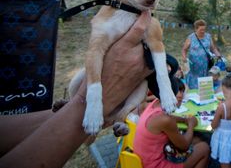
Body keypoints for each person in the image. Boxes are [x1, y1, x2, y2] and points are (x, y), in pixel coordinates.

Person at [0, 11, 153, 168]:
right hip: (95, 87)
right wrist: (81, 104)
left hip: (112, 102)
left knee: (141, 86)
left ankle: (115, 116)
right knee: (84, 74)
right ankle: (82, 107)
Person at [133, 77, 210, 168]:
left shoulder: (154, 104)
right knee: (204, 147)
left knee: (197, 140)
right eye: (176, 91)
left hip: (144, 159)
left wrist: (183, 120)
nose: (180, 95)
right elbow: (184, 146)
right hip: (155, 165)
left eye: (182, 91)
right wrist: (191, 125)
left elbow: (168, 117)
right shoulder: (165, 120)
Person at [182, 19, 221, 89]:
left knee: (205, 83)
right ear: (196, 29)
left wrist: (218, 54)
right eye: (201, 29)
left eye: (204, 29)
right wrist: (184, 58)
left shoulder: (208, 36)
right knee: (194, 83)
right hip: (194, 65)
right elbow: (184, 49)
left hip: (205, 65)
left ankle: (204, 95)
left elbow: (213, 48)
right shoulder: (191, 37)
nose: (203, 31)